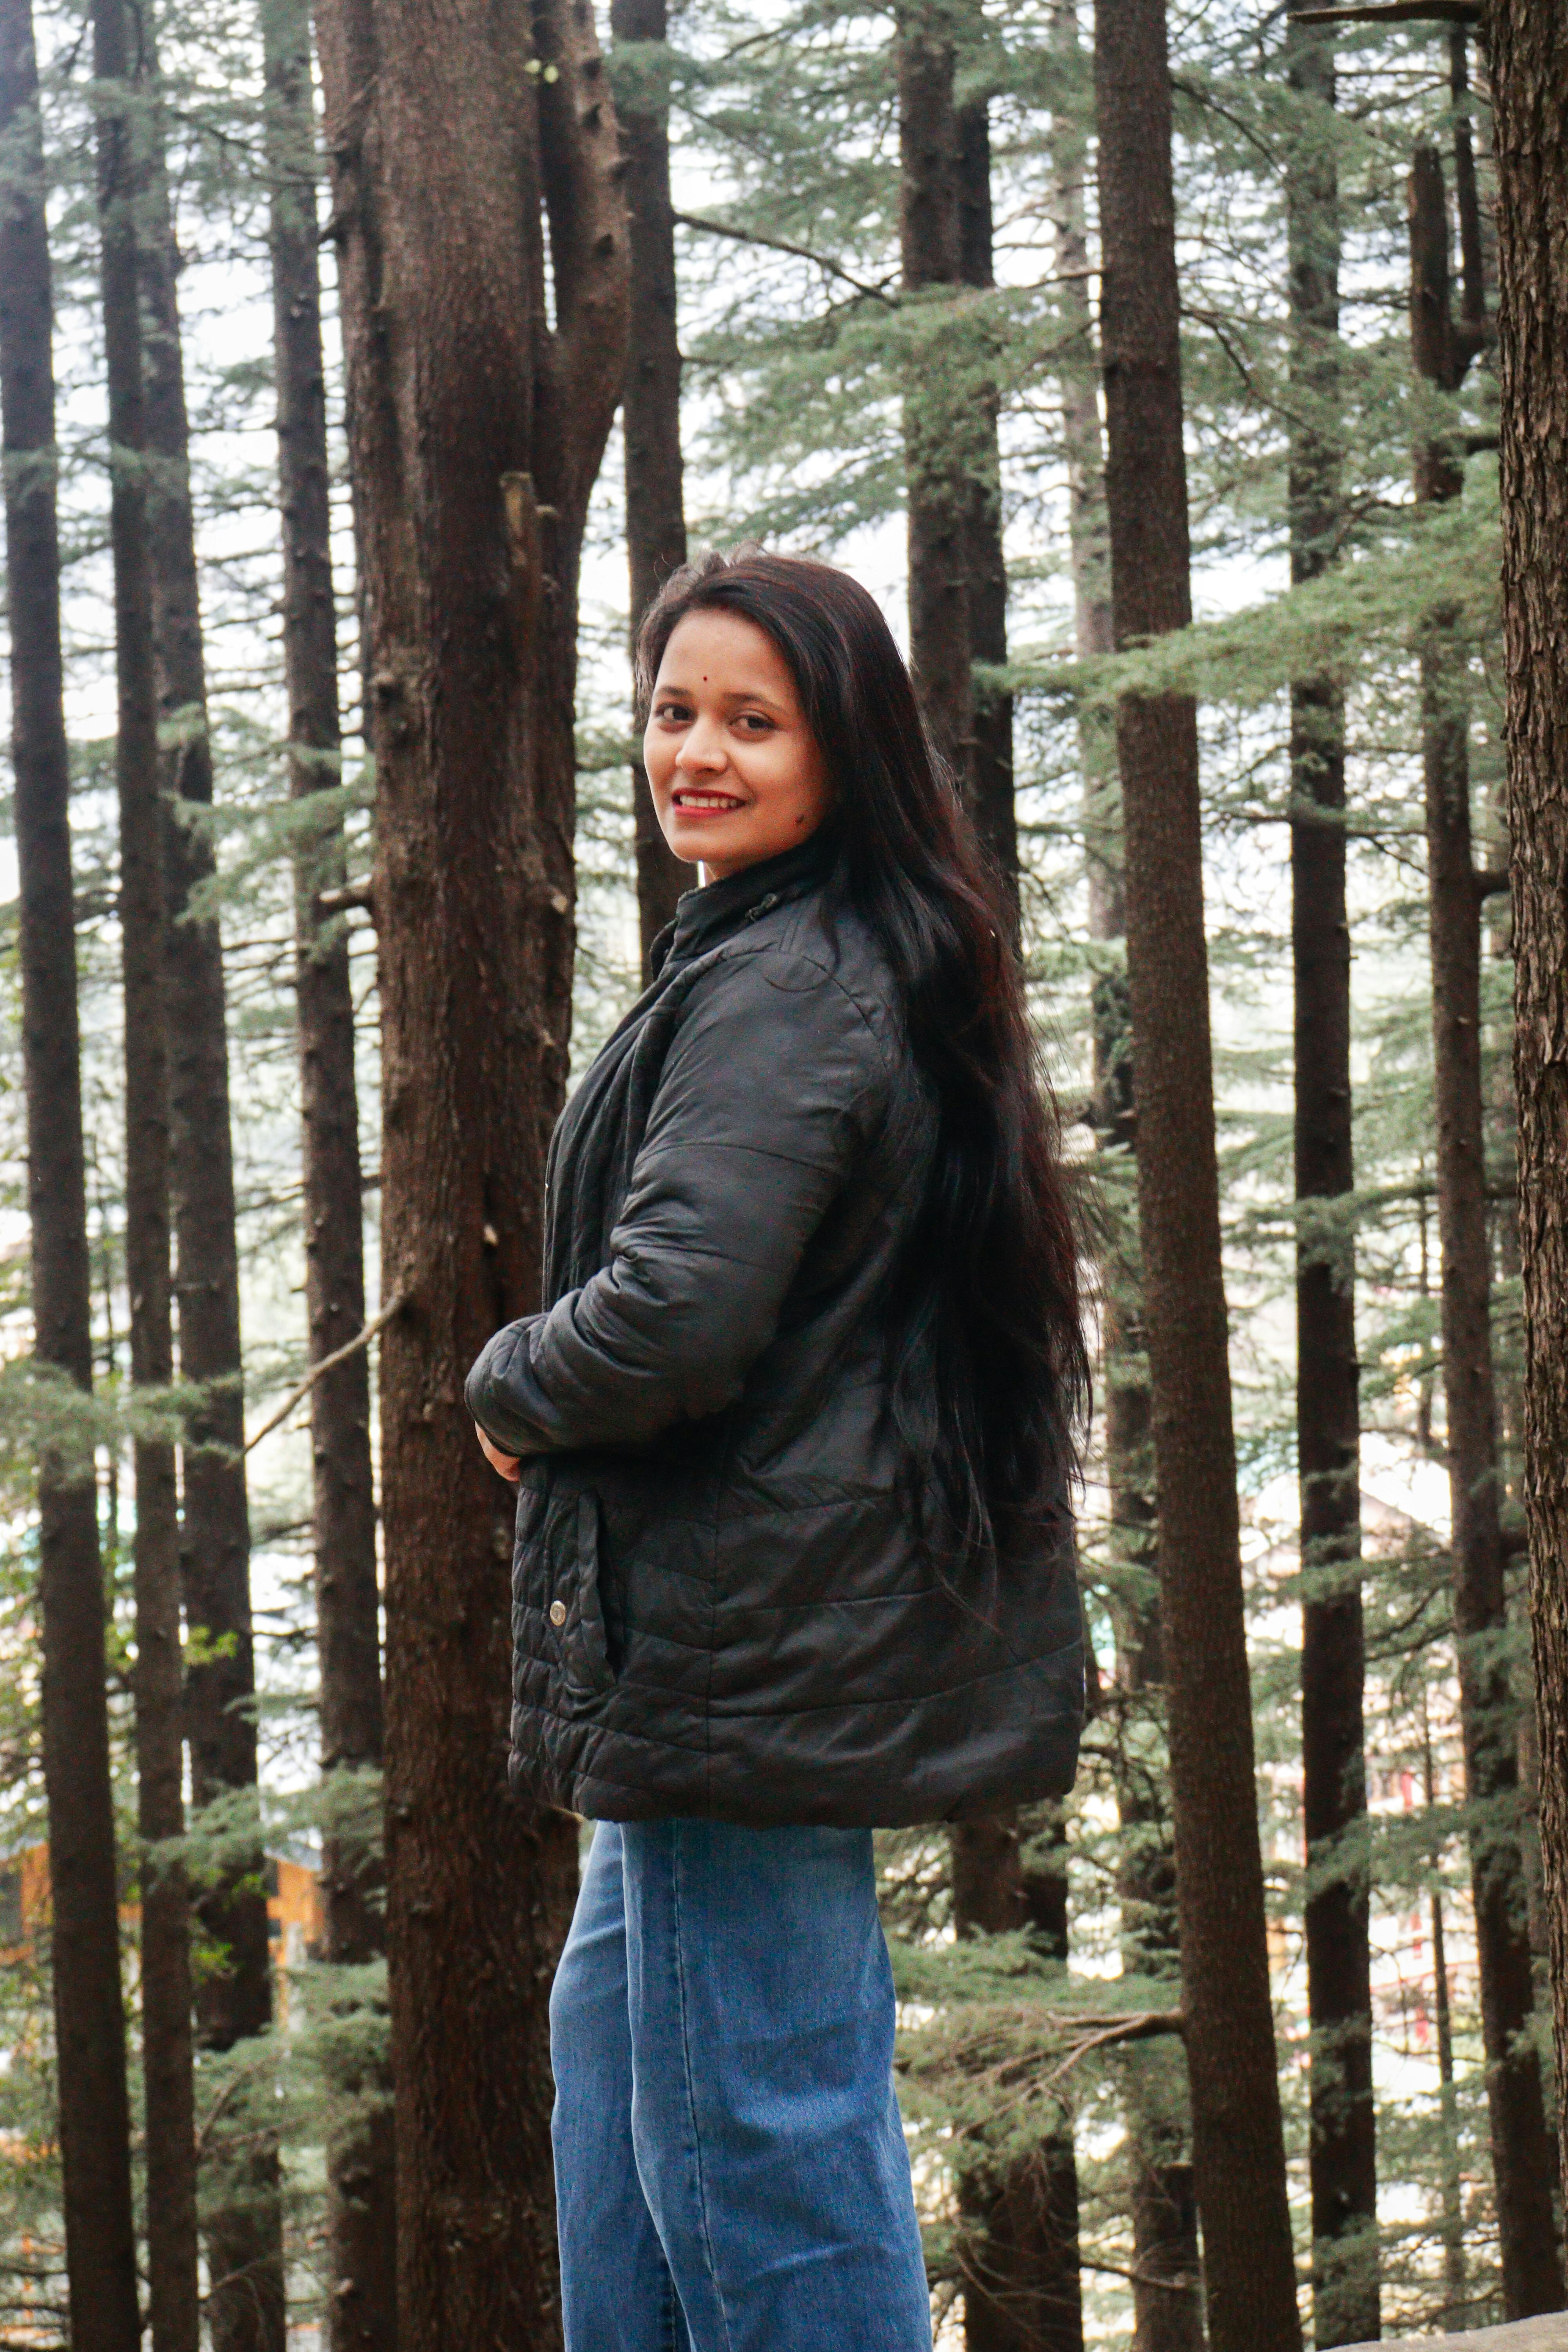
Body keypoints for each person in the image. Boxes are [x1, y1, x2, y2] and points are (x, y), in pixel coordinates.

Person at [466, 549, 1088, 2352]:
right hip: (735, 1641)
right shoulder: (788, 949)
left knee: (762, 2142)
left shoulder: (787, 979)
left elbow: (673, 1313)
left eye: (755, 720)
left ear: (844, 751)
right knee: (626, 2098)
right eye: (675, 713)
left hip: (749, 1653)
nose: (699, 755)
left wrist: (507, 1385)